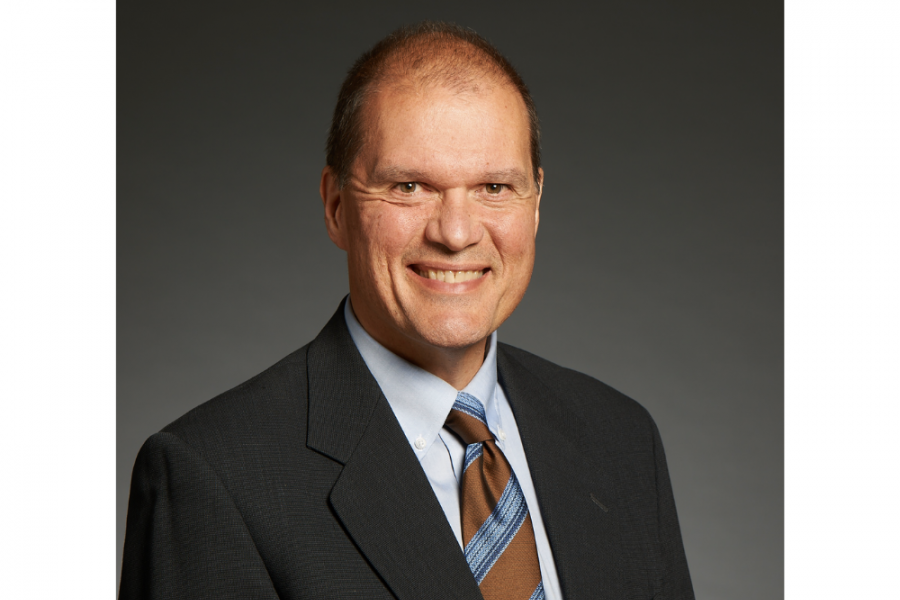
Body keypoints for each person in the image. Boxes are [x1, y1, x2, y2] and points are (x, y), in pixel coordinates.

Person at [119, 22, 694, 600]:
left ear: (536, 204)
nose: (457, 233)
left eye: (494, 188)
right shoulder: (212, 477)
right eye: (410, 186)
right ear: (336, 206)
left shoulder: (621, 441)